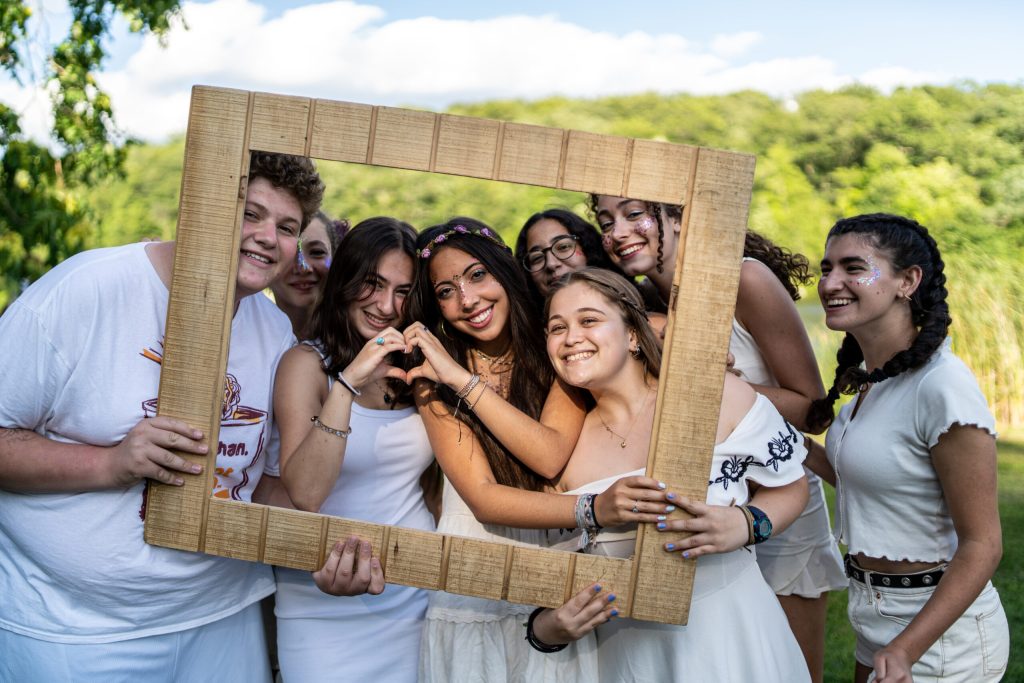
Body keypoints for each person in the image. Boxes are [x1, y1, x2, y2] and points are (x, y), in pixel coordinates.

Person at [0, 152, 383, 681]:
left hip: (223, 618)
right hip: (79, 629)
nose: (269, 237)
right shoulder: (89, 289)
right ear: (203, 208)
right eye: (251, 214)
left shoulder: (272, 329)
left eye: (287, 226)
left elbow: (264, 485)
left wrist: (320, 548)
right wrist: (111, 463)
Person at [592, 193, 845, 681]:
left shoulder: (744, 278)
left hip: (778, 505)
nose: (617, 231)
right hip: (705, 514)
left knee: (787, 667)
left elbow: (812, 409)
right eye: (606, 221)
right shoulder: (644, 305)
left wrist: (720, 383)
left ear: (679, 215)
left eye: (633, 214)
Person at [403, 219, 669, 682]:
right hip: (476, 580)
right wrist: (595, 509)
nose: (467, 300)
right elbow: (484, 498)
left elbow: (547, 455)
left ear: (505, 271)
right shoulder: (433, 377)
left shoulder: (555, 351)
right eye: (446, 291)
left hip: (558, 577)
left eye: (477, 275)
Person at [526, 267, 812, 682]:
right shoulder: (560, 455)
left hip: (735, 636)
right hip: (631, 658)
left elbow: (791, 484)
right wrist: (549, 628)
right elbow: (546, 581)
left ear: (632, 334)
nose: (570, 338)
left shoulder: (716, 397)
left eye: (588, 320)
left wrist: (746, 523)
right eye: (557, 328)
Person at [804, 213, 1008, 683]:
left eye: (853, 268)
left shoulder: (942, 387)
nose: (830, 282)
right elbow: (866, 476)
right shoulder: (875, 383)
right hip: (872, 614)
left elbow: (983, 545)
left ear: (908, 281)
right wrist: (760, 421)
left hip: (938, 632)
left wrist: (904, 650)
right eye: (826, 267)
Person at [268, 217, 434, 683]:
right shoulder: (306, 364)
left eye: (403, 291)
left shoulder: (418, 367)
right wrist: (348, 384)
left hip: (414, 598)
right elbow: (306, 492)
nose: (386, 305)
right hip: (322, 601)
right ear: (345, 280)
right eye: (373, 284)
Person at [270, 209, 350, 339]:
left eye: (317, 252)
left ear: (336, 258)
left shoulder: (356, 338)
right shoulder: (240, 333)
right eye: (289, 253)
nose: (303, 267)